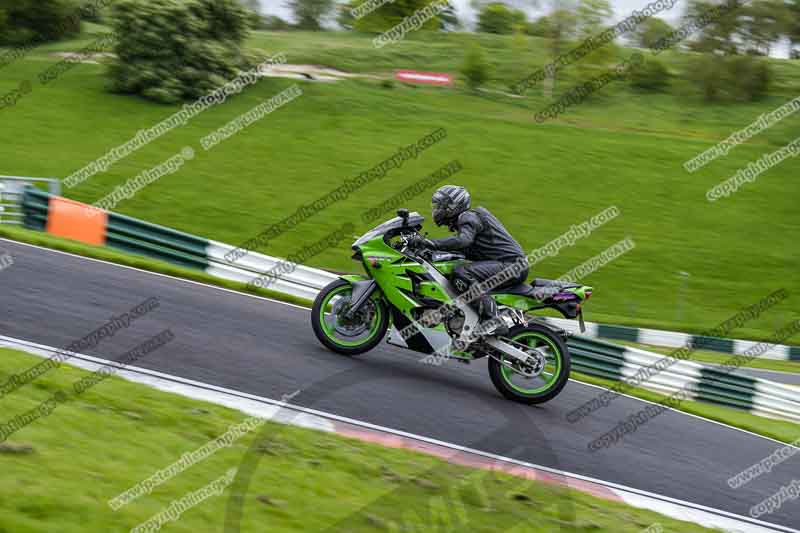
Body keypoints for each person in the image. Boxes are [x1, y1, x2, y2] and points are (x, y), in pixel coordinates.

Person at [409, 185, 529, 336]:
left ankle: (494, 320)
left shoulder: (468, 217)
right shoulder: (468, 219)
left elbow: (463, 241)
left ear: (453, 206)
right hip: (510, 265)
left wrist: (430, 243)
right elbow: (463, 250)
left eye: (441, 206)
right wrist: (432, 252)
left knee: (461, 272)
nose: (437, 210)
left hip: (512, 265)